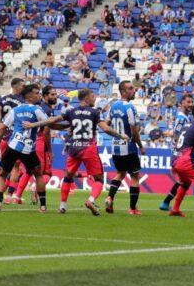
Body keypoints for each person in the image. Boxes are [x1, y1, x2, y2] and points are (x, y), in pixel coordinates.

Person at [24, 88, 128, 215]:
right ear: (86, 98)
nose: (94, 99)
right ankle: (91, 200)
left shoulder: (71, 111)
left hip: (74, 148)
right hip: (89, 148)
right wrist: (121, 136)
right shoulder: (95, 112)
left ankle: (62, 206)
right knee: (99, 179)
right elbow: (106, 129)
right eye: (92, 96)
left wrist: (34, 125)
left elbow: (52, 122)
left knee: (68, 177)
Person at [0, 84, 50, 212]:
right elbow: (47, 125)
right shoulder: (37, 110)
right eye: (36, 93)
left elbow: (2, 128)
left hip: (12, 146)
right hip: (29, 149)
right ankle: (43, 206)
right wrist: (49, 148)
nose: (39, 95)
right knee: (38, 175)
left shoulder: (15, 110)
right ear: (28, 95)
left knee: (2, 175)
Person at [12, 85, 60, 204]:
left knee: (28, 170)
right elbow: (46, 131)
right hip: (40, 142)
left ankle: (16, 196)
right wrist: (50, 150)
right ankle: (34, 188)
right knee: (46, 173)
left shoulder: (37, 108)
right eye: (52, 94)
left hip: (30, 141)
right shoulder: (47, 110)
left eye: (55, 94)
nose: (55, 96)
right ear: (45, 96)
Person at [105, 81, 146, 215]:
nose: (133, 90)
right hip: (128, 147)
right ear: (123, 92)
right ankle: (133, 209)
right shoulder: (129, 107)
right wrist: (140, 146)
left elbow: (106, 125)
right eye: (130, 89)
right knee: (134, 177)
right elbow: (134, 131)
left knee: (120, 173)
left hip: (115, 147)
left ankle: (110, 197)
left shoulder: (112, 106)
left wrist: (116, 135)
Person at [159, 94, 194, 211]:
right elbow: (176, 135)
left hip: (181, 153)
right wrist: (177, 154)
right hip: (181, 154)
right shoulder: (181, 118)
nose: (190, 104)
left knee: (184, 181)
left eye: (191, 102)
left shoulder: (185, 118)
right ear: (182, 103)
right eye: (188, 102)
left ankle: (166, 203)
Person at [0, 78, 25, 204]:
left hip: (4, 136)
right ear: (15, 86)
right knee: (16, 167)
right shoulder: (22, 102)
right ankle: (9, 195)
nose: (24, 87)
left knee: (3, 168)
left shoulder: (2, 100)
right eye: (22, 85)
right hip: (15, 137)